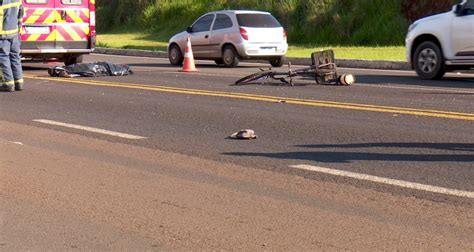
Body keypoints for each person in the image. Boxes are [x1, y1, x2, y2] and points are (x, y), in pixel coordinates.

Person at [0, 0, 23, 92]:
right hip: (14, 33)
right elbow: (20, 14)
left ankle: (7, 83)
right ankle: (19, 83)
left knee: (2, 57)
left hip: (2, 35)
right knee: (15, 57)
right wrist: (18, 29)